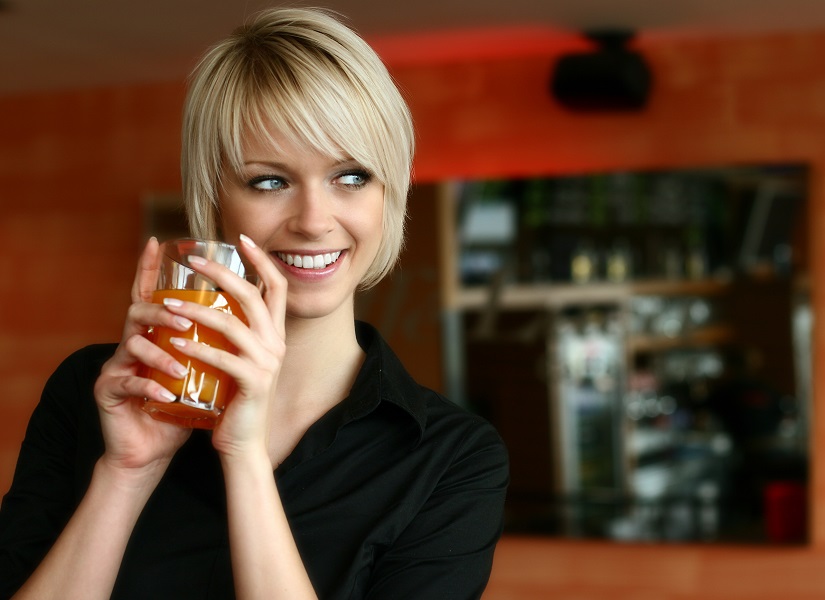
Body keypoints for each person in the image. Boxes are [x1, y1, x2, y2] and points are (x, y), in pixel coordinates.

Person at [0, 7, 509, 599]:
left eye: (350, 177)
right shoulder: (89, 393)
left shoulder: (452, 459)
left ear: (389, 194)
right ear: (213, 199)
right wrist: (126, 475)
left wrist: (244, 458)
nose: (315, 221)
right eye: (269, 181)